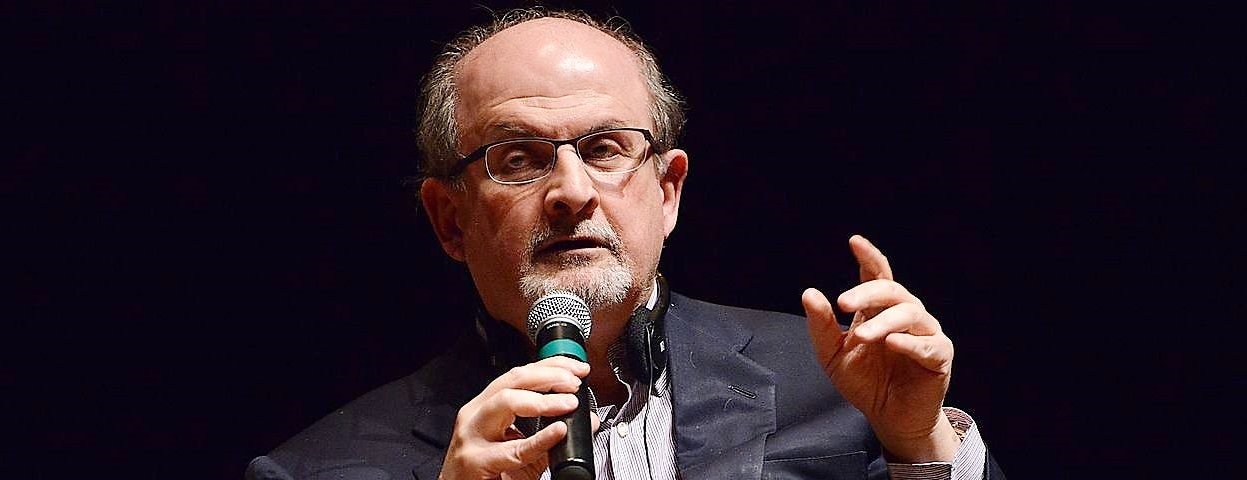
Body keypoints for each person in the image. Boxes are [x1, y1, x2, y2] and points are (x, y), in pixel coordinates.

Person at [248, 8, 1004, 480]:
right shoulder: (317, 469)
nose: (572, 190)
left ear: (667, 190)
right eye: (519, 157)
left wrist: (920, 446)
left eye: (606, 147)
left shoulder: (847, 391)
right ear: (450, 220)